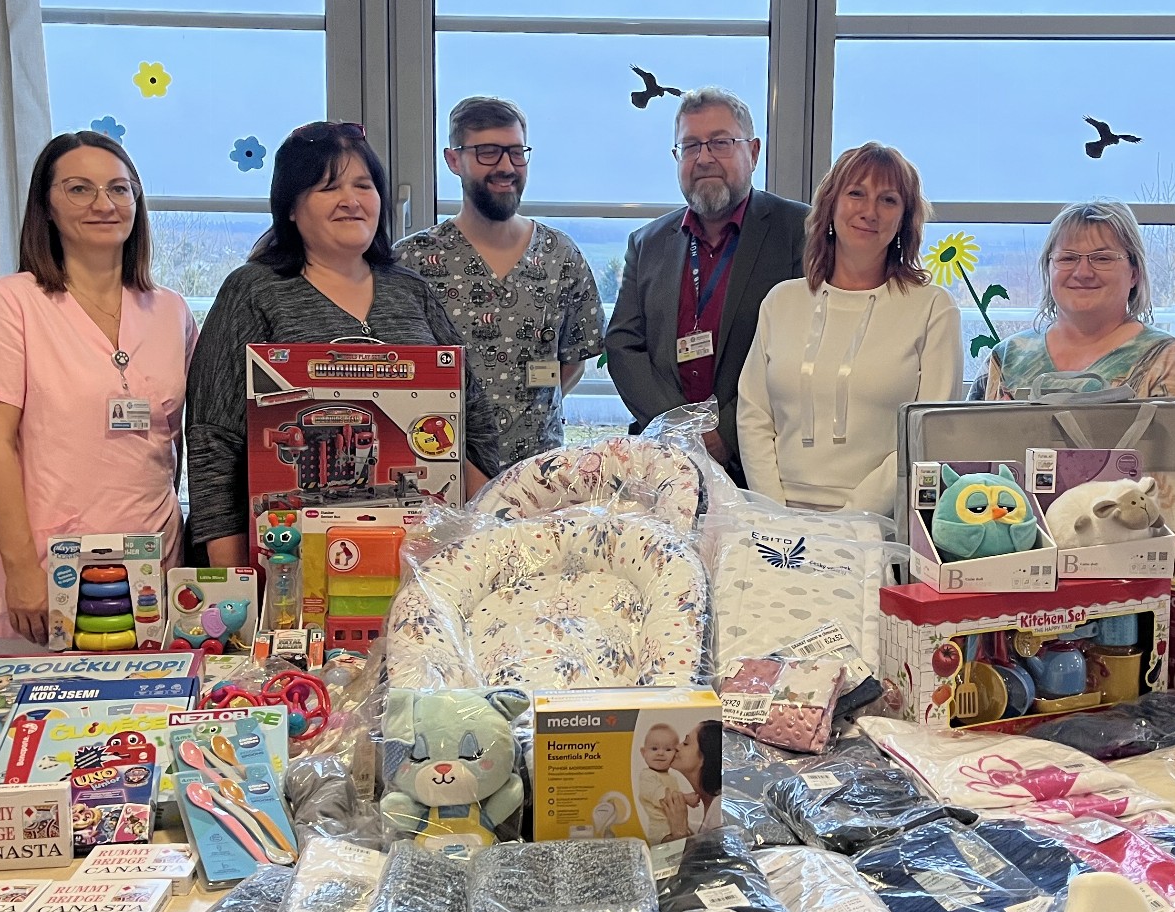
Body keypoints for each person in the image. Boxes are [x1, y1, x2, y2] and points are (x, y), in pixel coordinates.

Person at [188, 121, 503, 565]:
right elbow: (213, 441)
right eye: (329, 187)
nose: (351, 200)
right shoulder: (253, 291)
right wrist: (236, 577)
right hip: (288, 559)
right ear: (291, 206)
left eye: (363, 185)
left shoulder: (411, 291)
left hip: (417, 558)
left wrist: (480, 534)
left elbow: (472, 420)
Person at [0, 132, 196, 656]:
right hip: (45, 579)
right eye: (79, 189)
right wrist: (22, 571)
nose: (103, 204)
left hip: (151, 572)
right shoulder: (13, 302)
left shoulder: (170, 311)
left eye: (119, 188)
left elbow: (174, 442)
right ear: (46, 205)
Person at [736, 142, 963, 516]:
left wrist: (853, 520)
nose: (869, 211)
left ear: (904, 219)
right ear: (831, 206)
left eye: (888, 200)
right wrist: (775, 513)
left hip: (879, 524)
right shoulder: (781, 301)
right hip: (775, 519)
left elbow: (927, 430)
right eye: (856, 193)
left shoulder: (932, 308)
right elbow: (754, 414)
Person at [605, 87, 807, 485]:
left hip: (763, 463)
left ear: (754, 152)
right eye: (691, 146)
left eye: (720, 142)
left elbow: (805, 346)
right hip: (664, 462)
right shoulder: (647, 243)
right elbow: (623, 345)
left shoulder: (800, 232)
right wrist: (679, 428)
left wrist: (726, 433)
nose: (704, 158)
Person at [394, 96, 604, 470]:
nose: (506, 166)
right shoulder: (411, 262)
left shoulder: (560, 256)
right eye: (488, 152)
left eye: (516, 152)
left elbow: (573, 361)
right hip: (441, 470)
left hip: (538, 478)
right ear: (454, 160)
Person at [976, 200, 1175, 400]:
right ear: (1048, 270)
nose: (1083, 272)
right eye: (1068, 258)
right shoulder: (1006, 359)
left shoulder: (1169, 362)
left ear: (1134, 273)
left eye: (1102, 258)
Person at [657, 719, 723, 840]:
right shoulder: (714, 805)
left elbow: (717, 852)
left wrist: (679, 831)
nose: (677, 747)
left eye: (686, 743)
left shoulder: (720, 808)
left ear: (705, 755)